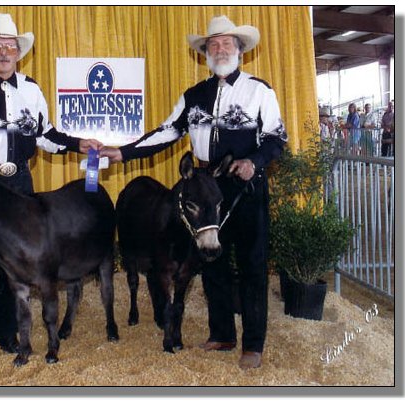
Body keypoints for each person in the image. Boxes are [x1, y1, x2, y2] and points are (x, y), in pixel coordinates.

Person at [101, 16, 287, 369]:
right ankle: (222, 334)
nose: (220, 49)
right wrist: (122, 152)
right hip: (204, 187)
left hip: (245, 187)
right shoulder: (193, 95)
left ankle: (253, 344)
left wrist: (254, 162)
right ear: (205, 53)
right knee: (210, 262)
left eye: (227, 43)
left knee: (252, 264)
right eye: (213, 45)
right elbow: (167, 132)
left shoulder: (259, 90)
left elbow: (277, 138)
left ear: (240, 50)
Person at [0, 13, 102, 363]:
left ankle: (11, 335)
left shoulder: (31, 89)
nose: (3, 52)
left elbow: (46, 135)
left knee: (20, 266)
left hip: (20, 187)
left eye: (9, 46)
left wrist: (79, 144)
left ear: (18, 52)